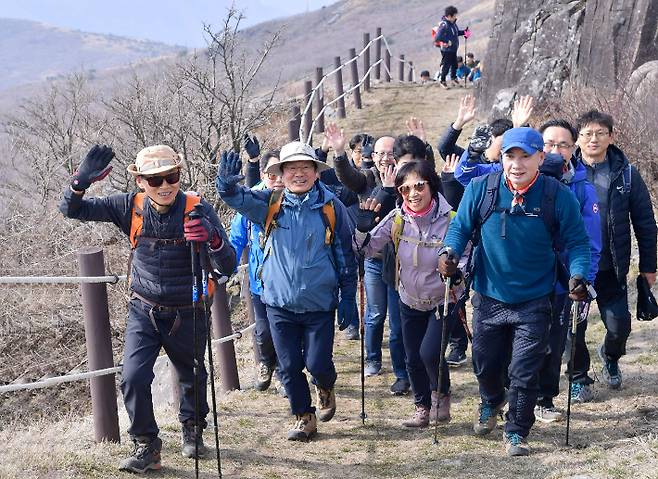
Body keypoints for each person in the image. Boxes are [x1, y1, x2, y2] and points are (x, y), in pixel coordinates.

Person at [60, 144, 236, 472]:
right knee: (133, 377)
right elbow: (73, 210)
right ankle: (146, 446)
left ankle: (193, 430)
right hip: (145, 309)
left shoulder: (198, 208)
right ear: (140, 181)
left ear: (179, 176)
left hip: (190, 309)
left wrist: (212, 238)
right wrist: (79, 183)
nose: (165, 185)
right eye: (155, 180)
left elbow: (228, 264)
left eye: (171, 176)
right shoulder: (130, 207)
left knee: (192, 374)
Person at [440, 127, 591, 456]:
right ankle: (491, 401)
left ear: (540, 157)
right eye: (511, 155)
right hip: (489, 295)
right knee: (484, 363)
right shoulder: (482, 189)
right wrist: (448, 254)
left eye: (526, 156)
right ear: (502, 157)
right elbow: (460, 228)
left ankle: (517, 431)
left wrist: (578, 274)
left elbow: (578, 243)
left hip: (536, 298)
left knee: (524, 369)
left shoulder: (557, 195)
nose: (517, 164)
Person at [216, 141, 357, 441]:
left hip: (319, 303)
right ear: (282, 173)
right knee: (290, 365)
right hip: (278, 302)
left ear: (316, 172)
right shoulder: (269, 203)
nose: (298, 173)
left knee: (318, 362)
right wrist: (226, 187)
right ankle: (303, 416)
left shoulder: (332, 207)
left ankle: (325, 385)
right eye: (291, 168)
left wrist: (348, 298)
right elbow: (239, 199)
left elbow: (346, 253)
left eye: (305, 167)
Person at [354, 160, 467, 427]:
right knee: (412, 356)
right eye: (405, 189)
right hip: (408, 298)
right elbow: (364, 250)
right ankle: (422, 407)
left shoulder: (452, 220)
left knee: (429, 353)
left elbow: (466, 258)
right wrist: (361, 229)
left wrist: (454, 271)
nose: (413, 194)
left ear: (432, 185)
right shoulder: (397, 220)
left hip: (444, 298)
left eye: (419, 186)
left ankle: (441, 397)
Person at [574, 110, 657, 391]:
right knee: (574, 329)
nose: (593, 139)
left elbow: (645, 223)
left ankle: (610, 355)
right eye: (587, 134)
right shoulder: (566, 172)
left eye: (600, 133)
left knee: (619, 325)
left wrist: (649, 267)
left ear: (611, 137)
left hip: (612, 266)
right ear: (578, 139)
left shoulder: (627, 174)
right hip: (577, 268)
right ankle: (578, 378)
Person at [331, 125, 411, 395]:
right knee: (375, 314)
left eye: (390, 153)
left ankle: (402, 373)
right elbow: (347, 177)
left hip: (403, 261)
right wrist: (340, 153)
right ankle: (373, 359)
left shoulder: (409, 179)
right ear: (372, 156)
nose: (384, 158)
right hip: (376, 258)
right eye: (379, 153)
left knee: (399, 323)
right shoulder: (367, 178)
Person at [230, 149, 285, 393]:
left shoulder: (296, 198)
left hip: (288, 283)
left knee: (284, 333)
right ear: (263, 174)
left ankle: (286, 376)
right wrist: (225, 265)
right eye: (272, 174)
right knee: (263, 332)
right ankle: (265, 362)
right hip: (259, 283)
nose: (278, 179)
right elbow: (237, 239)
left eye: (281, 172)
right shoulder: (252, 201)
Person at [434, 5, 470, 89]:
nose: (455, 17)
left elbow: (456, 33)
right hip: (446, 49)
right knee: (446, 65)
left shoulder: (453, 24)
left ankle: (454, 79)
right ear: (449, 16)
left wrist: (465, 32)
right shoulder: (444, 24)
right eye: (454, 16)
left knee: (454, 64)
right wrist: (447, 41)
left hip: (453, 49)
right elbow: (438, 37)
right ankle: (442, 81)